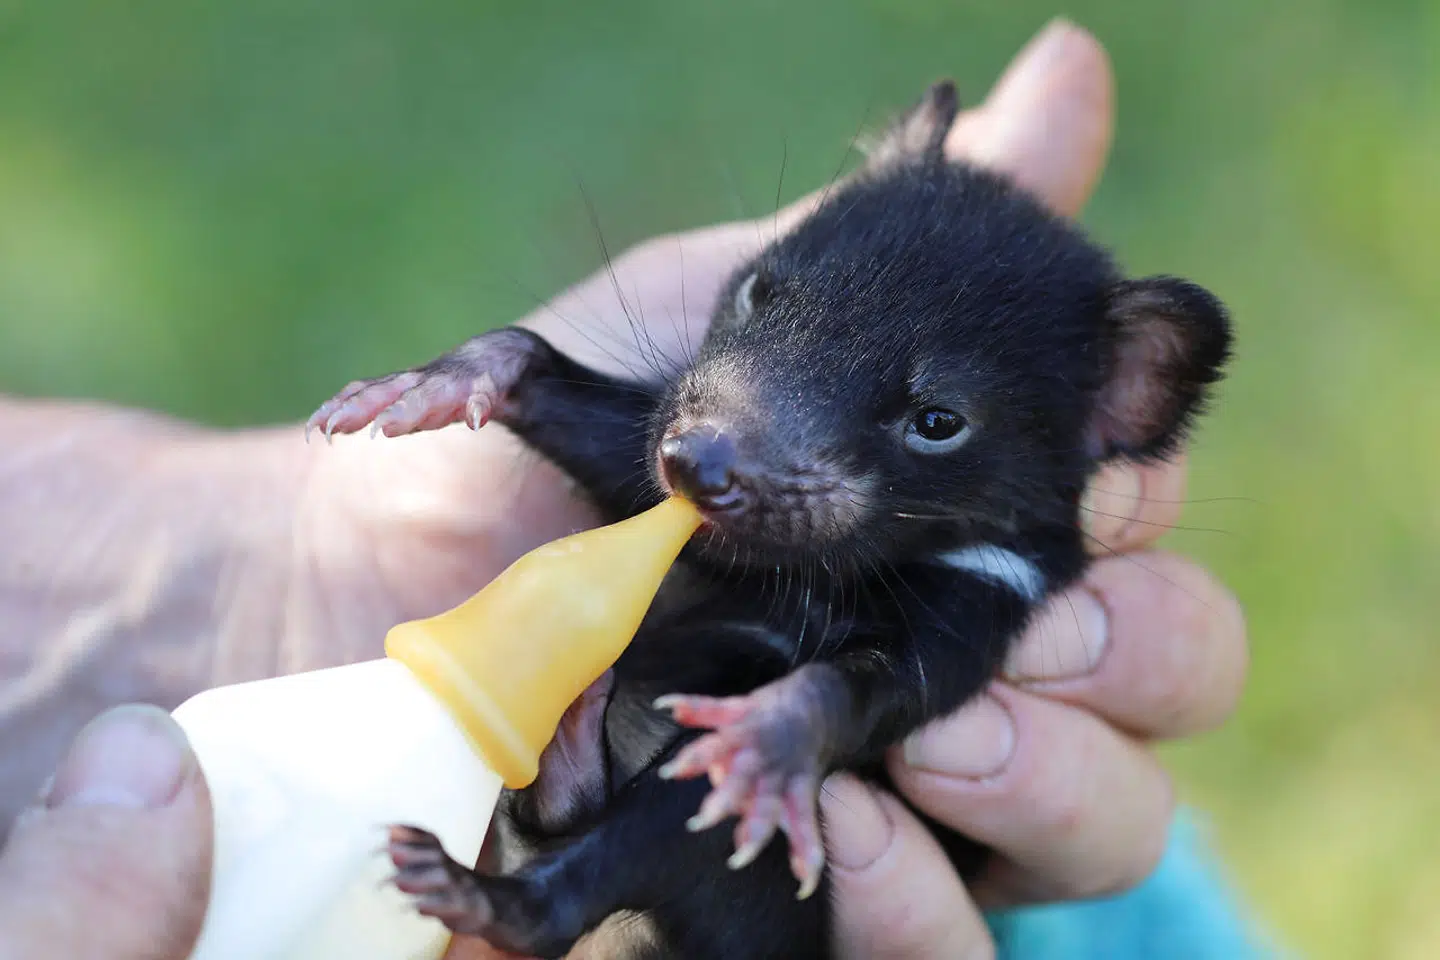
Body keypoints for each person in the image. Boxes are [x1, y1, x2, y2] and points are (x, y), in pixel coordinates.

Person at [0, 19, 1269, 960]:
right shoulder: (721, 459)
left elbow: (903, 684)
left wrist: (809, 718)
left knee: (712, 806)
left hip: (760, 894)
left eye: (932, 424)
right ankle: (557, 830)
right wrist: (517, 375)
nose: (723, 442)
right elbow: (631, 447)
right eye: (768, 305)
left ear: (1115, 409)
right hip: (587, 747)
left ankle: (552, 895)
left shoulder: (995, 571)